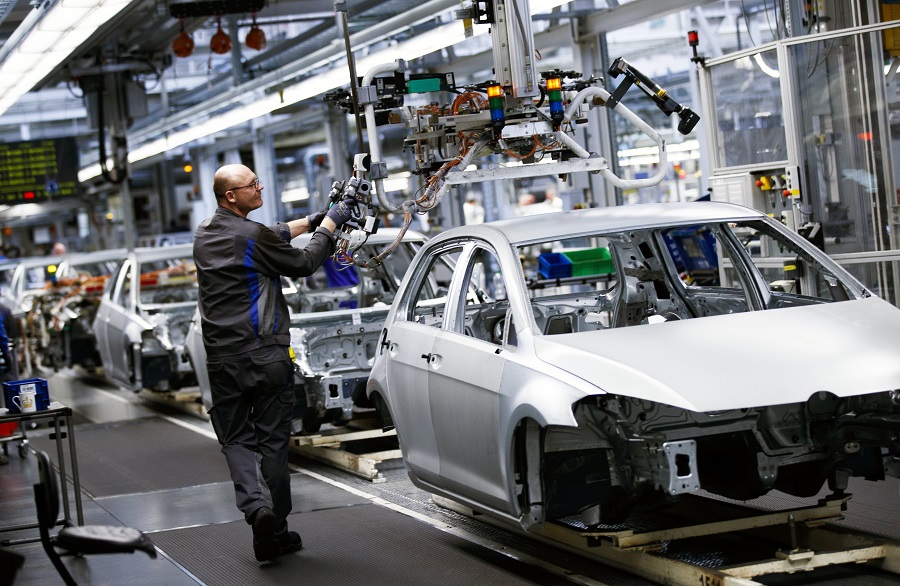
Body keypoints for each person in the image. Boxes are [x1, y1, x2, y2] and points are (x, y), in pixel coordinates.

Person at [193, 164, 356, 563]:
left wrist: (309, 220)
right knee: (273, 446)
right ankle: (276, 525)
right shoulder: (251, 236)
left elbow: (265, 237)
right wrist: (329, 226)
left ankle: (258, 512)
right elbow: (301, 264)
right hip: (265, 354)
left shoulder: (205, 235)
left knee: (234, 440)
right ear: (231, 196)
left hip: (223, 359)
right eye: (252, 185)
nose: (259, 186)